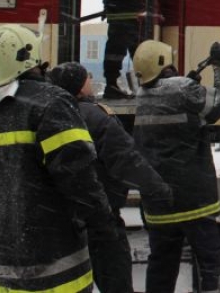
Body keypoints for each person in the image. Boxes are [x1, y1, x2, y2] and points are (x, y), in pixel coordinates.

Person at [0, 24, 118, 293]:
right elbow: (79, 177)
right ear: (31, 57)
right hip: (49, 266)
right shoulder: (51, 103)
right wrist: (104, 227)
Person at [49, 61, 173, 293]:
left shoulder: (46, 115)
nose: (90, 82)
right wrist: (157, 188)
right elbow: (126, 159)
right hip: (100, 220)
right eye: (86, 78)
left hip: (60, 222)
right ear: (79, 87)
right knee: (116, 283)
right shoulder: (96, 116)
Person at [132, 39, 220, 293]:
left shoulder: (142, 96)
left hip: (159, 200)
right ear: (164, 64)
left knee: (162, 262)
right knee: (209, 258)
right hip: (193, 198)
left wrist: (189, 86)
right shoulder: (183, 89)